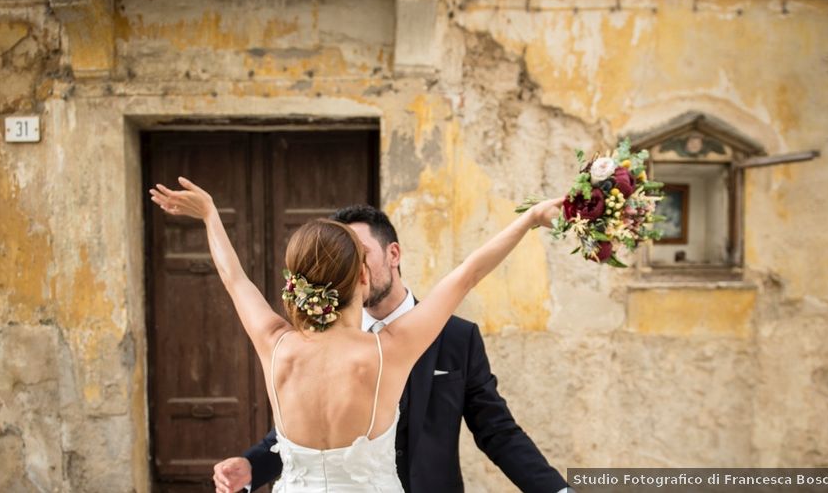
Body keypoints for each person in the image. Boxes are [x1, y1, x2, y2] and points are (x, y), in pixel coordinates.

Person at [151, 179, 564, 493]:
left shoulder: (275, 344)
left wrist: (210, 215)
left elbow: (233, 278)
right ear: (362, 277)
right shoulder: (390, 351)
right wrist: (528, 220)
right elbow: (468, 274)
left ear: (298, 284)